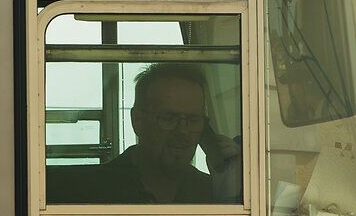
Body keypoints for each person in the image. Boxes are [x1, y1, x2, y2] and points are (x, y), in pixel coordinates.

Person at [69, 62, 234, 204]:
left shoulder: (210, 192)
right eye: (168, 118)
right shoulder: (91, 192)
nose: (183, 131)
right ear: (137, 121)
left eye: (194, 120)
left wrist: (231, 181)